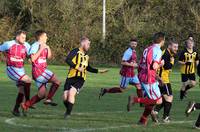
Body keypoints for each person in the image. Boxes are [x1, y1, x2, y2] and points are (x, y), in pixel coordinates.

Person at [63, 36, 108, 119]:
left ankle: (67, 114)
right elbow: (68, 60)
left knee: (71, 93)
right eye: (88, 44)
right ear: (83, 43)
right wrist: (77, 67)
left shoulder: (86, 56)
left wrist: (99, 71)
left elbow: (88, 68)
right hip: (70, 77)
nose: (89, 46)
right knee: (65, 98)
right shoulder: (75, 51)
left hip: (80, 79)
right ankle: (69, 109)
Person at [127, 32, 165, 126]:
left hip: (143, 76)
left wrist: (158, 78)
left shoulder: (148, 48)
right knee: (158, 101)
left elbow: (143, 64)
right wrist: (161, 63)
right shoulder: (158, 50)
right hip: (149, 78)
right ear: (162, 40)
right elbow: (154, 65)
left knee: (151, 100)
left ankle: (142, 120)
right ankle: (134, 100)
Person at [21, 30, 61, 113]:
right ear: (41, 37)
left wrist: (48, 48)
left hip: (42, 71)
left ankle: (26, 105)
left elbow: (49, 57)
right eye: (45, 36)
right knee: (57, 81)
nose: (47, 37)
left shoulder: (44, 45)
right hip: (39, 71)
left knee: (42, 94)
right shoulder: (35, 45)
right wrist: (41, 49)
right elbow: (32, 59)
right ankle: (49, 99)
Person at [0, 30, 32, 116]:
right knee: (28, 80)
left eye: (25, 38)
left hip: (21, 70)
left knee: (22, 89)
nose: (24, 39)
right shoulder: (9, 44)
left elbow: (30, 55)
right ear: (17, 37)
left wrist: (30, 58)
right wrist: (3, 57)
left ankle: (16, 109)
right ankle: (28, 102)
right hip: (12, 69)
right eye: (22, 37)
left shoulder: (26, 45)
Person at [151, 40, 178, 123]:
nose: (176, 49)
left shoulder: (166, 53)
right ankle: (165, 117)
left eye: (177, 47)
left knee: (164, 98)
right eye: (174, 47)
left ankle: (155, 111)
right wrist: (172, 62)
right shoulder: (166, 54)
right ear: (169, 46)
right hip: (163, 79)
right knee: (169, 98)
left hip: (160, 78)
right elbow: (166, 67)